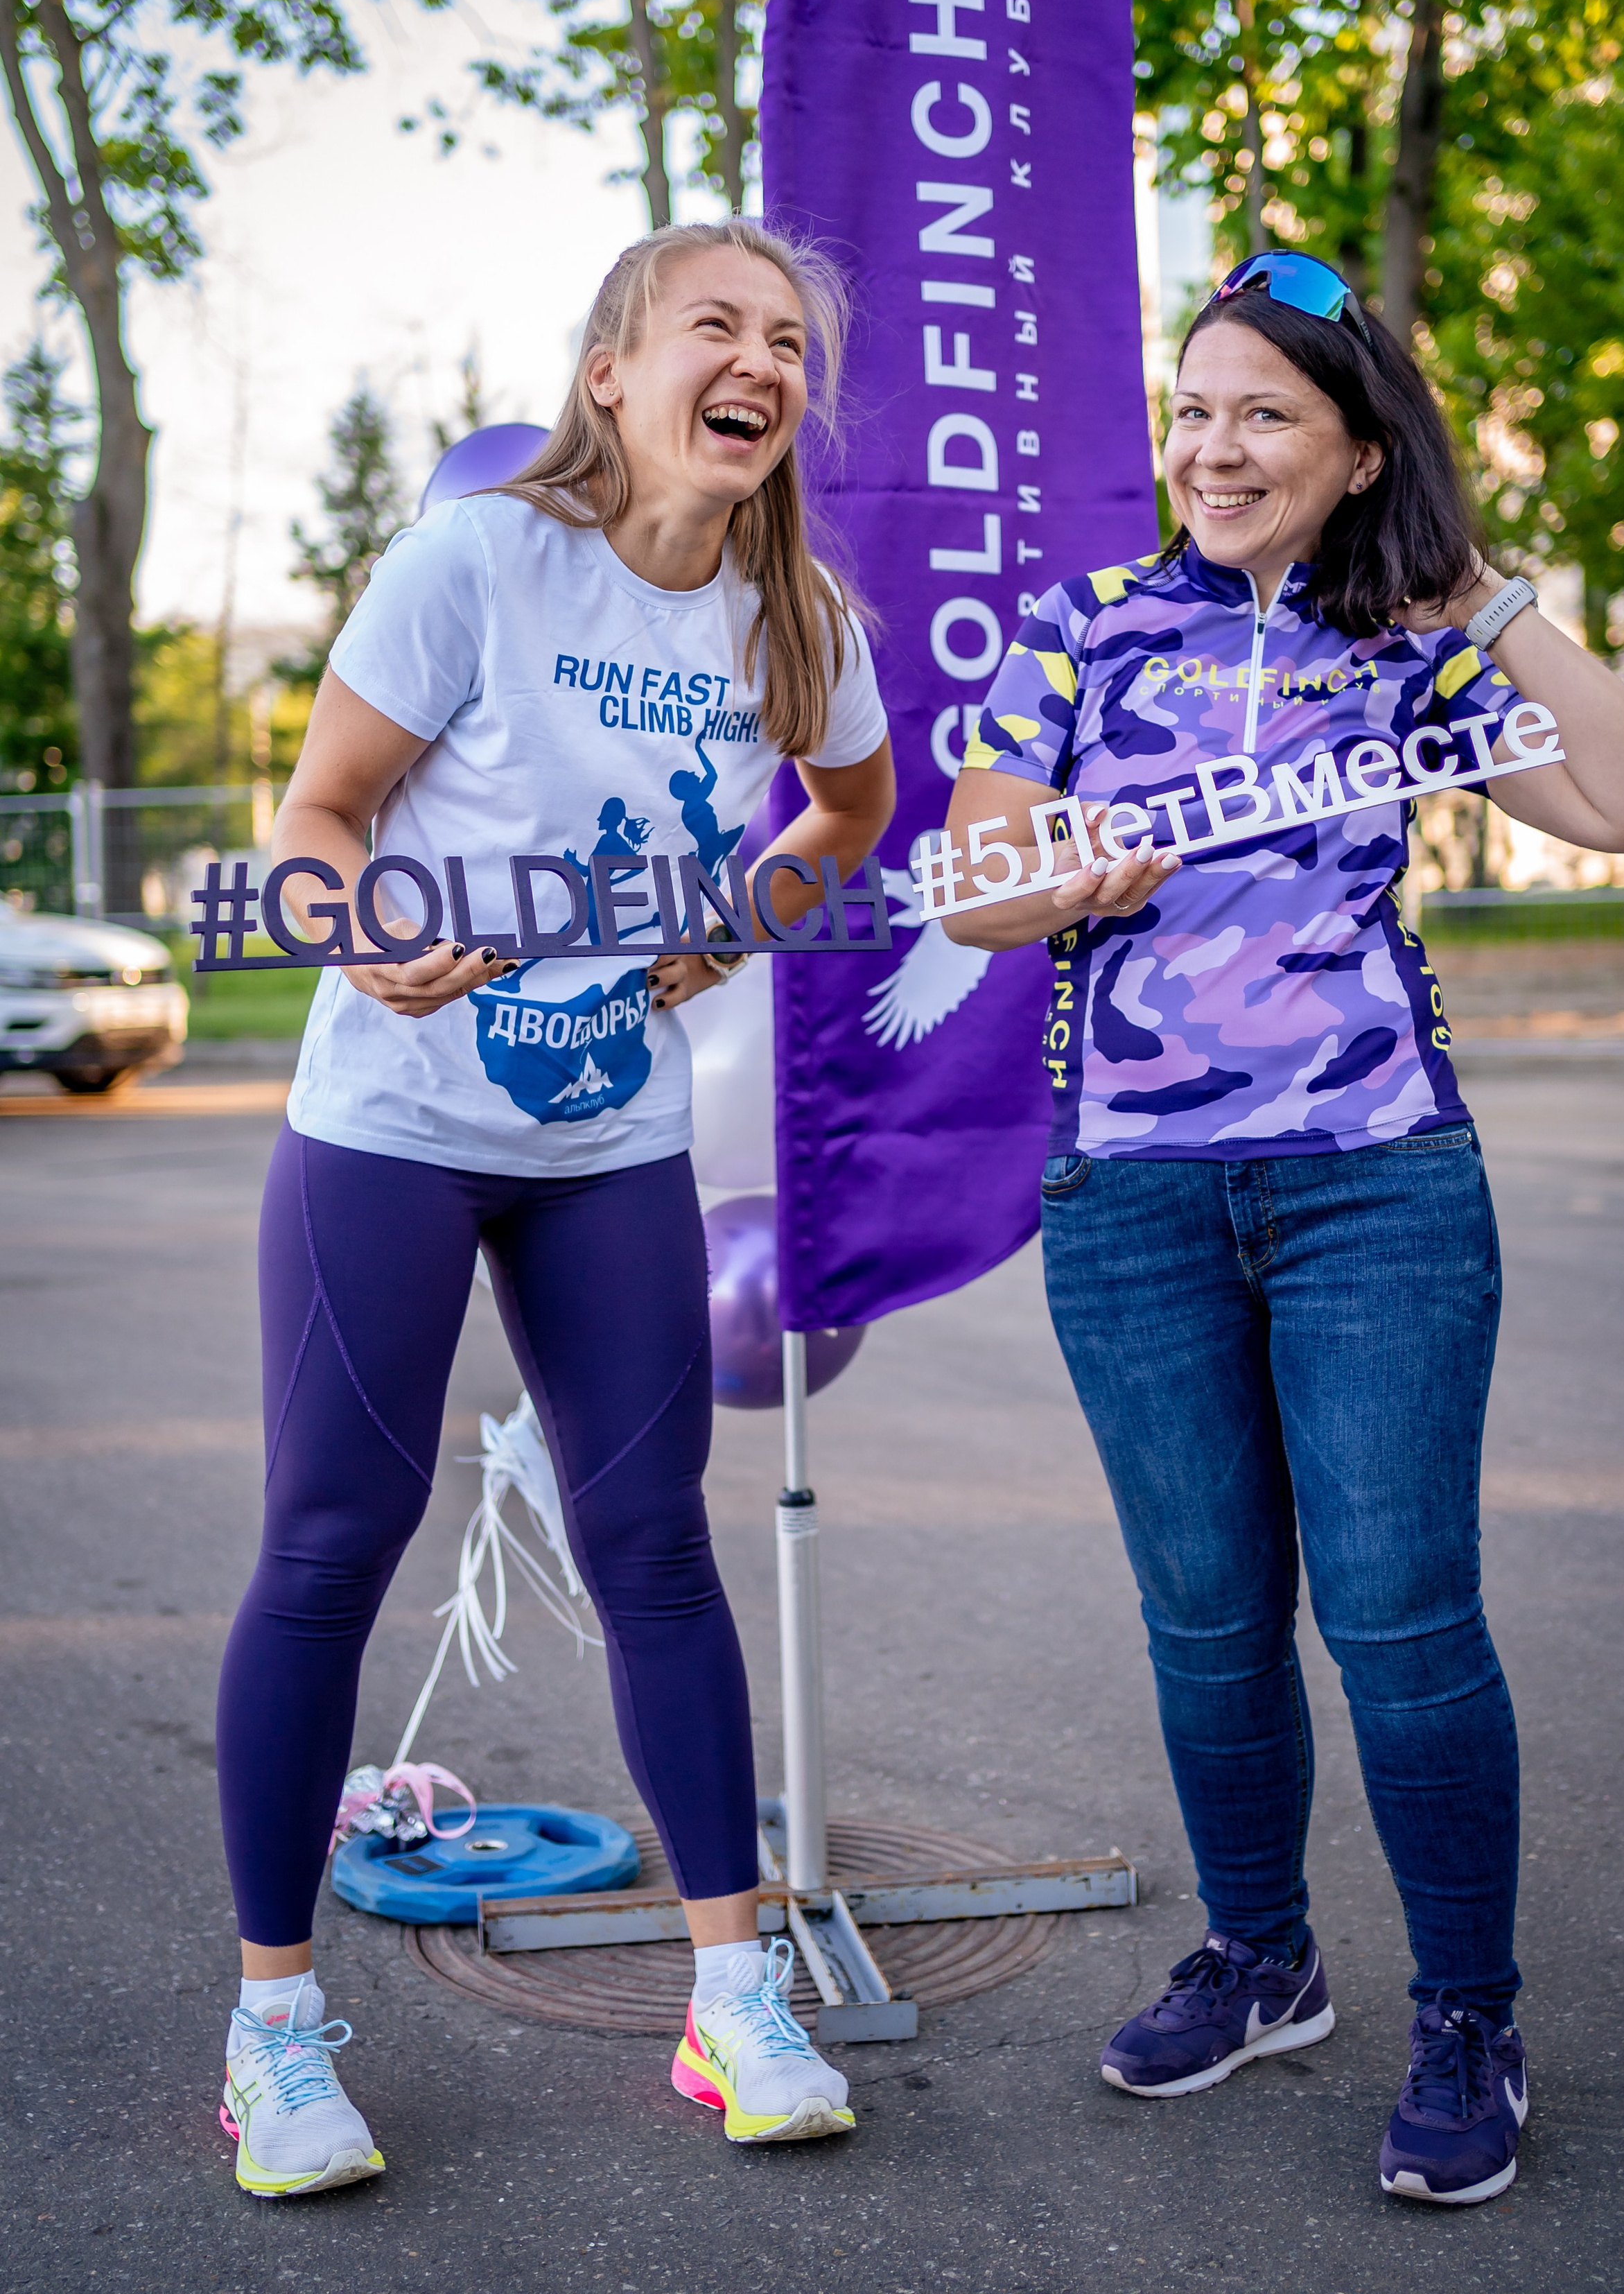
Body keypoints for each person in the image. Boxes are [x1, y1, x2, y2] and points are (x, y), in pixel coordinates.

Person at [941, 252, 1624, 2207]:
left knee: (1400, 1623)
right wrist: (1057, 885)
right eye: (1192, 410)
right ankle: (1261, 1957)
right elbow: (969, 885)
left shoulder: (1420, 652)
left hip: (1378, 1187)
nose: (1212, 446)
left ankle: (1470, 2016)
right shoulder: (1087, 626)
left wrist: (1484, 601)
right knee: (1205, 1622)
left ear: (1361, 450)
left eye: (1263, 413)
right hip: (1134, 1198)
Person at [213, 218, 894, 2195]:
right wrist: (363, 933)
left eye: (787, 341)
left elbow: (844, 819)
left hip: (610, 1141)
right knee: (330, 1545)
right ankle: (272, 2032)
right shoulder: (476, 559)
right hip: (397, 1122)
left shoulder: (798, 623)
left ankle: (731, 2000)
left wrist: (732, 934)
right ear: (613, 370)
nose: (757, 361)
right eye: (715, 326)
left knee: (654, 1553)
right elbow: (314, 823)